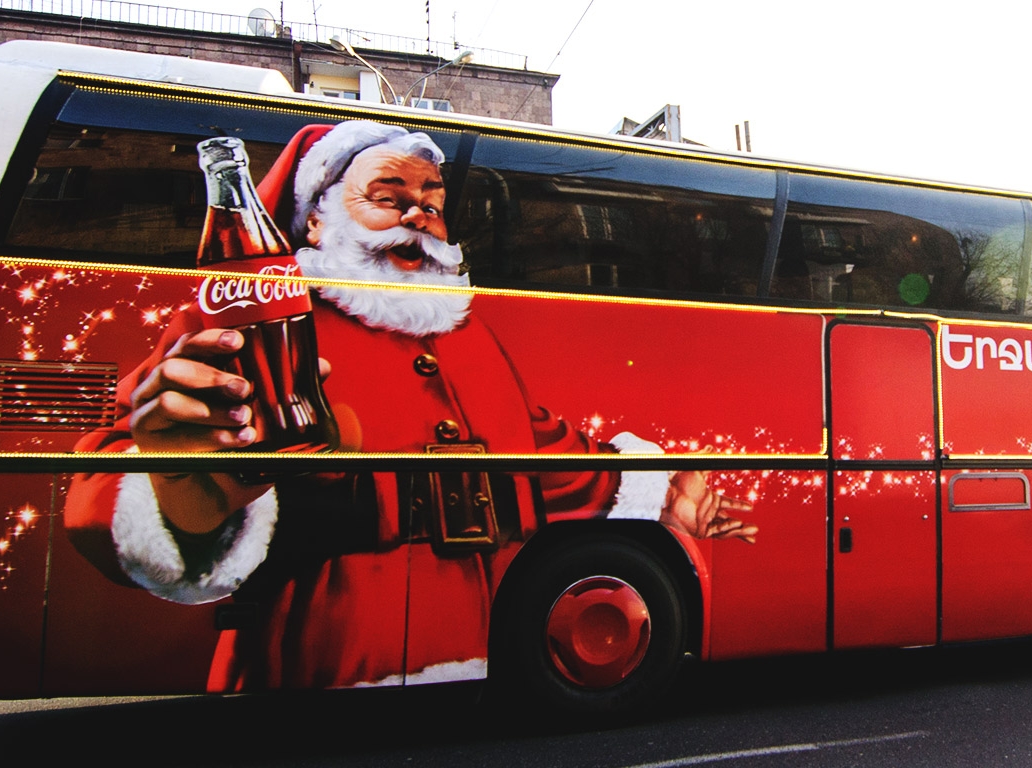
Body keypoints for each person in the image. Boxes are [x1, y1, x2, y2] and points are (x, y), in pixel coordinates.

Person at [64, 120, 753, 691]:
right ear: (314, 222)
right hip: (317, 655)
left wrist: (655, 489)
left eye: (432, 197)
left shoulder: (467, 334)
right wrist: (176, 494)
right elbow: (113, 471)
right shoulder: (254, 319)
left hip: (478, 640)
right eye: (388, 195)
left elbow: (541, 452)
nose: (420, 212)